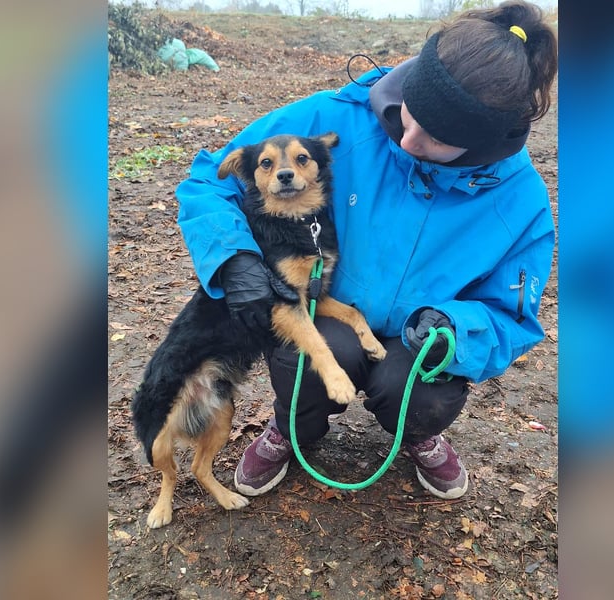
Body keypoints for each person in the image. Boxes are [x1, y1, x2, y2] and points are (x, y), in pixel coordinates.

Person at [175, 0, 558, 500]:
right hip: (326, 307)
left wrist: (456, 329)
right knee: (310, 350)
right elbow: (210, 178)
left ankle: (417, 433)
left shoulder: (519, 201)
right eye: (408, 114)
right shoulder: (333, 122)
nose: (408, 138)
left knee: (421, 386)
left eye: (436, 138)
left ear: (486, 143)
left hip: (413, 334)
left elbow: (512, 316)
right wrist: (235, 260)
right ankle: (294, 430)